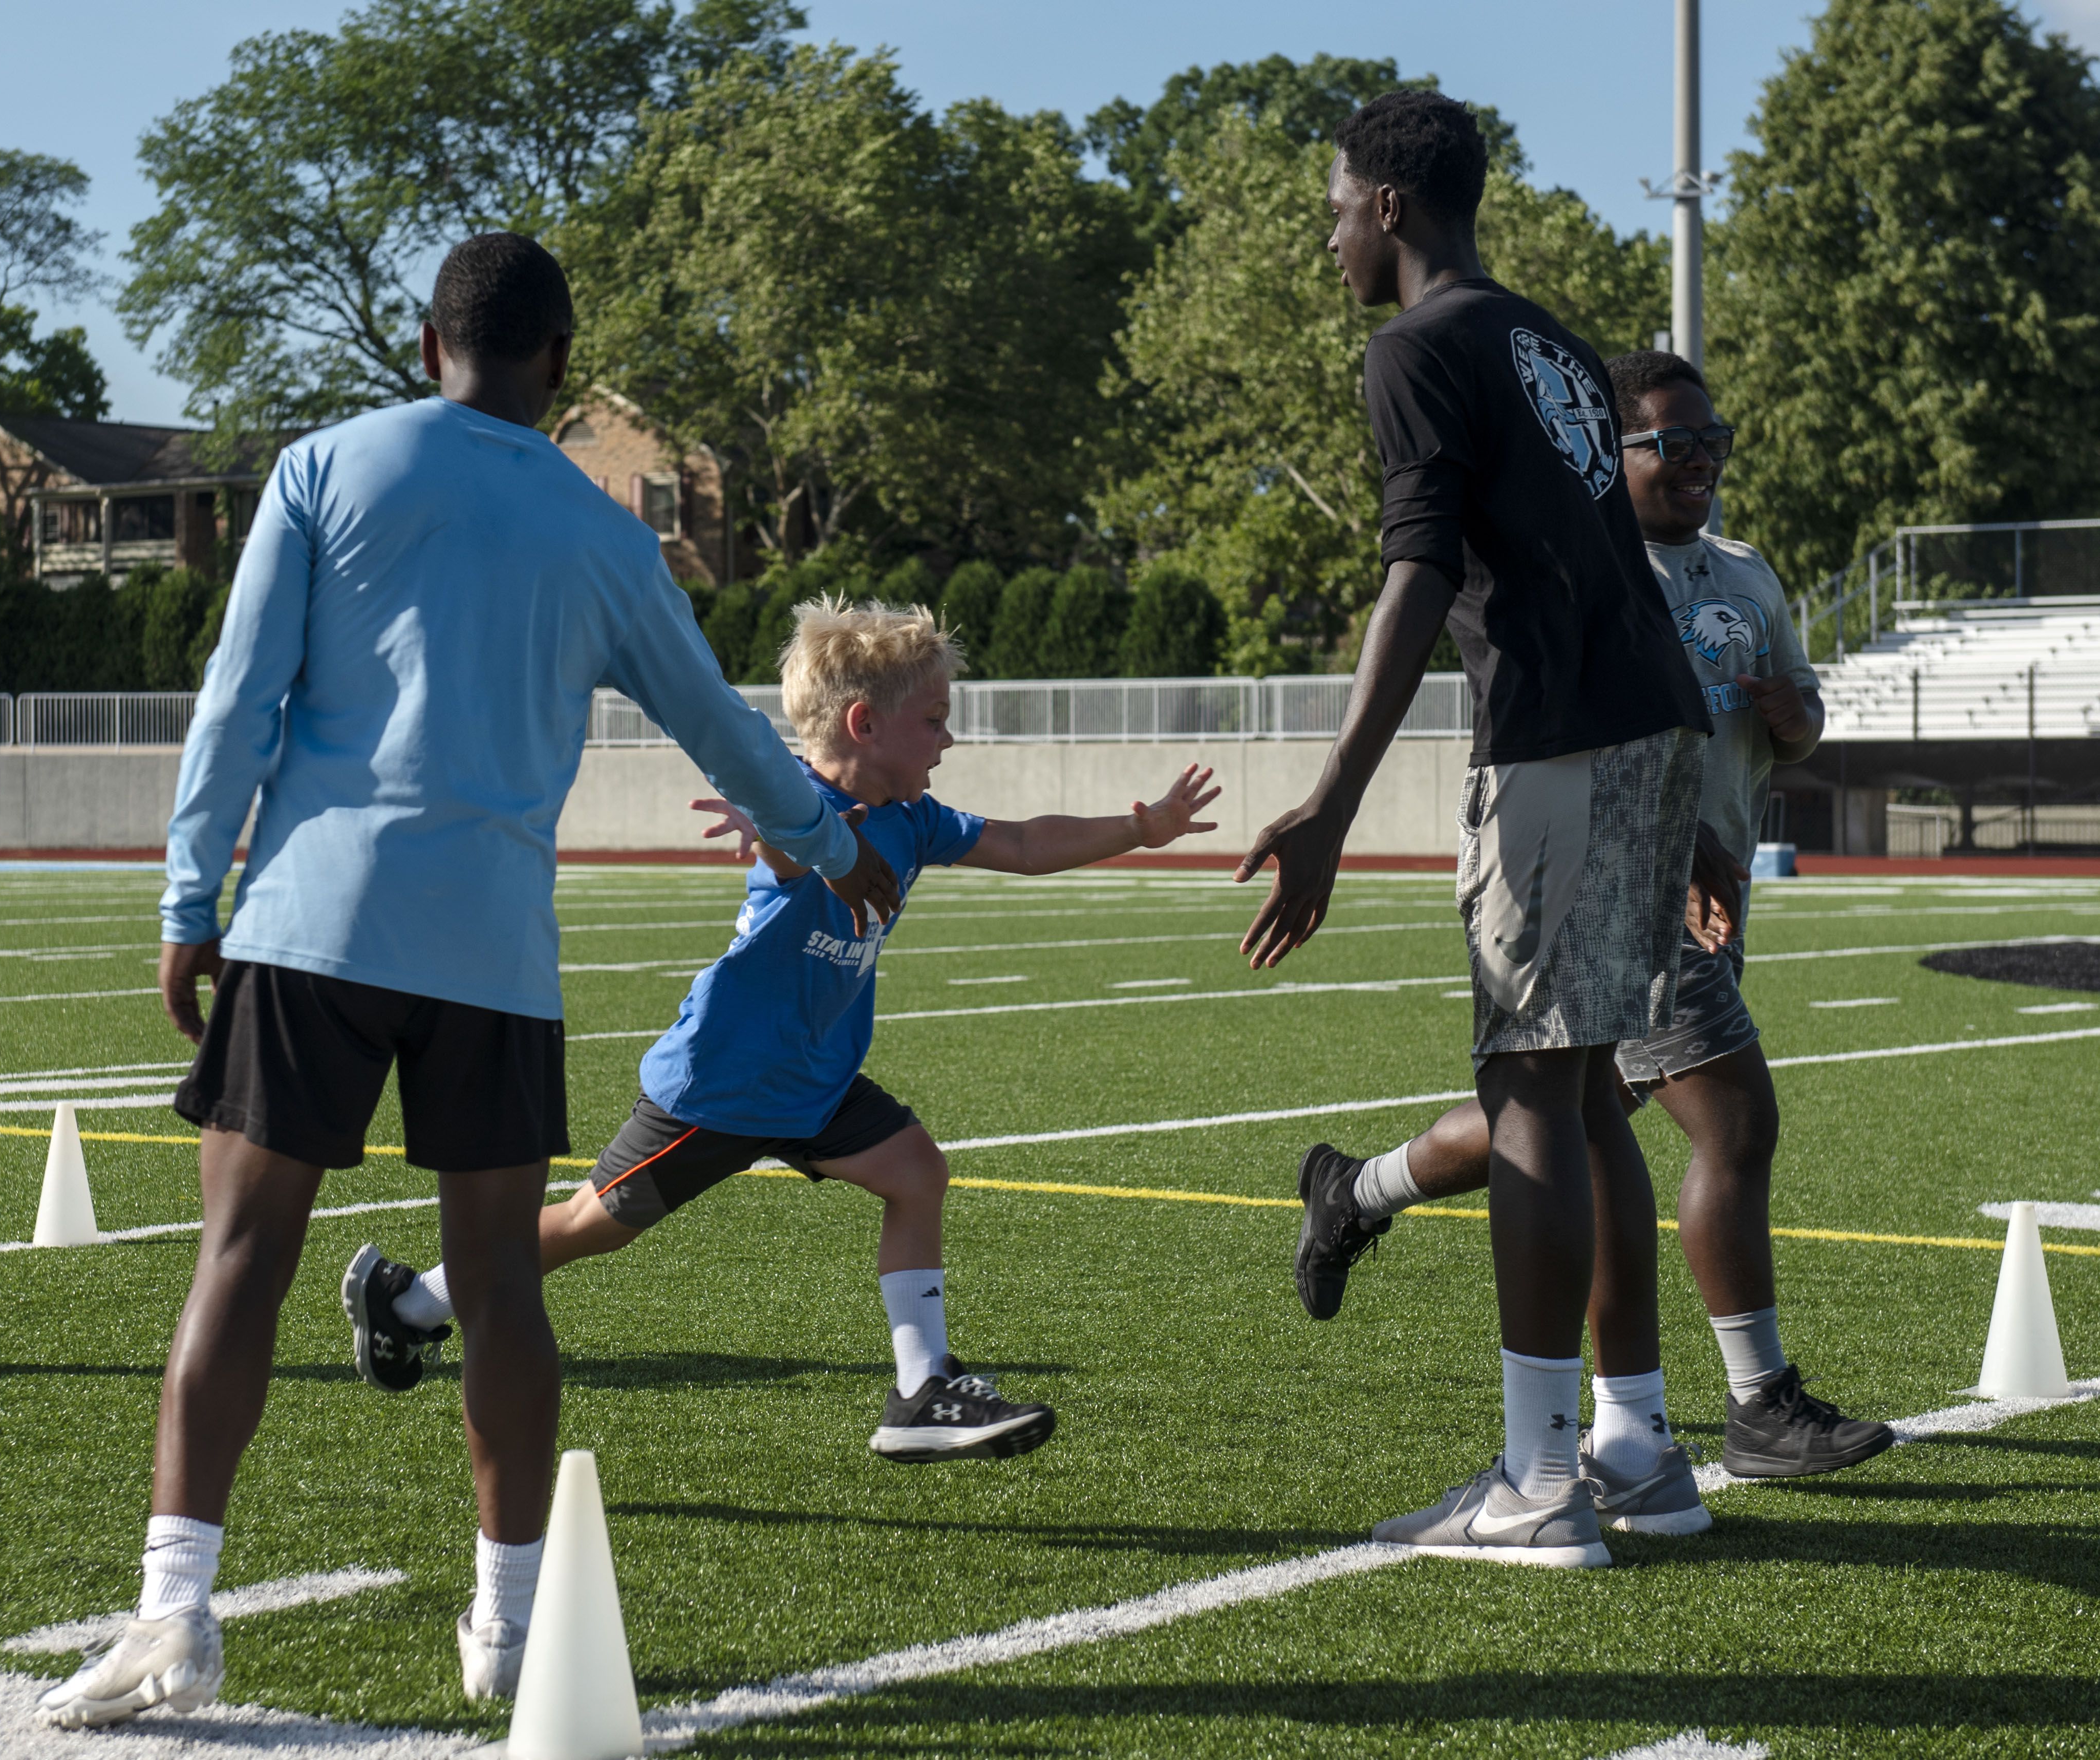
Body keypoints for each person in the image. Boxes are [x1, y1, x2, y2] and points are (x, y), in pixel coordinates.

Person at [35, 234, 902, 1729]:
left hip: (310, 927)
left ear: (424, 340)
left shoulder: (323, 465)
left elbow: (238, 698)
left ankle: (174, 1614)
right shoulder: (607, 537)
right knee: (500, 1281)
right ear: (560, 367)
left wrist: (188, 893)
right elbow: (723, 730)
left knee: (239, 1259)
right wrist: (833, 840)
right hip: (494, 955)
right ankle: (509, 1626)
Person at [346, 597, 1219, 1474]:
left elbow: (1025, 843)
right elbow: (786, 849)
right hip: (726, 1082)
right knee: (590, 1224)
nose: (948, 740)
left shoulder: (913, 819)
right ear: (864, 723)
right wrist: (766, 830)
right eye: (936, 719)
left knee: (916, 1172)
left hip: (815, 1081)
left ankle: (922, 1388)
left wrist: (1140, 830)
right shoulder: (798, 805)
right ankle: (414, 1304)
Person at [1233, 92, 1727, 1568]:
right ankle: (1632, 1441)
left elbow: (1415, 569)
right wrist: (1695, 782)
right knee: (1586, 1093)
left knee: (1528, 1083)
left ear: (1386, 205)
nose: (1327, 231)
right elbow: (1615, 559)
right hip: (1645, 726)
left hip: (1556, 742)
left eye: (1333, 204)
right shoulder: (1549, 339)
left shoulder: (1413, 345)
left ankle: (1531, 1477)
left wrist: (1326, 801)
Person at [1293, 349, 1892, 1483]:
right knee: (1731, 1122)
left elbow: (1793, 729)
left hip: (1705, 880)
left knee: (1573, 1118)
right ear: (1606, 455)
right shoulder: (1590, 575)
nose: (1700, 459)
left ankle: (1355, 1189)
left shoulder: (1743, 573)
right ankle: (1751, 1404)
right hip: (1630, 882)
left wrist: (1796, 713)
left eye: (1713, 438)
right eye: (1672, 441)